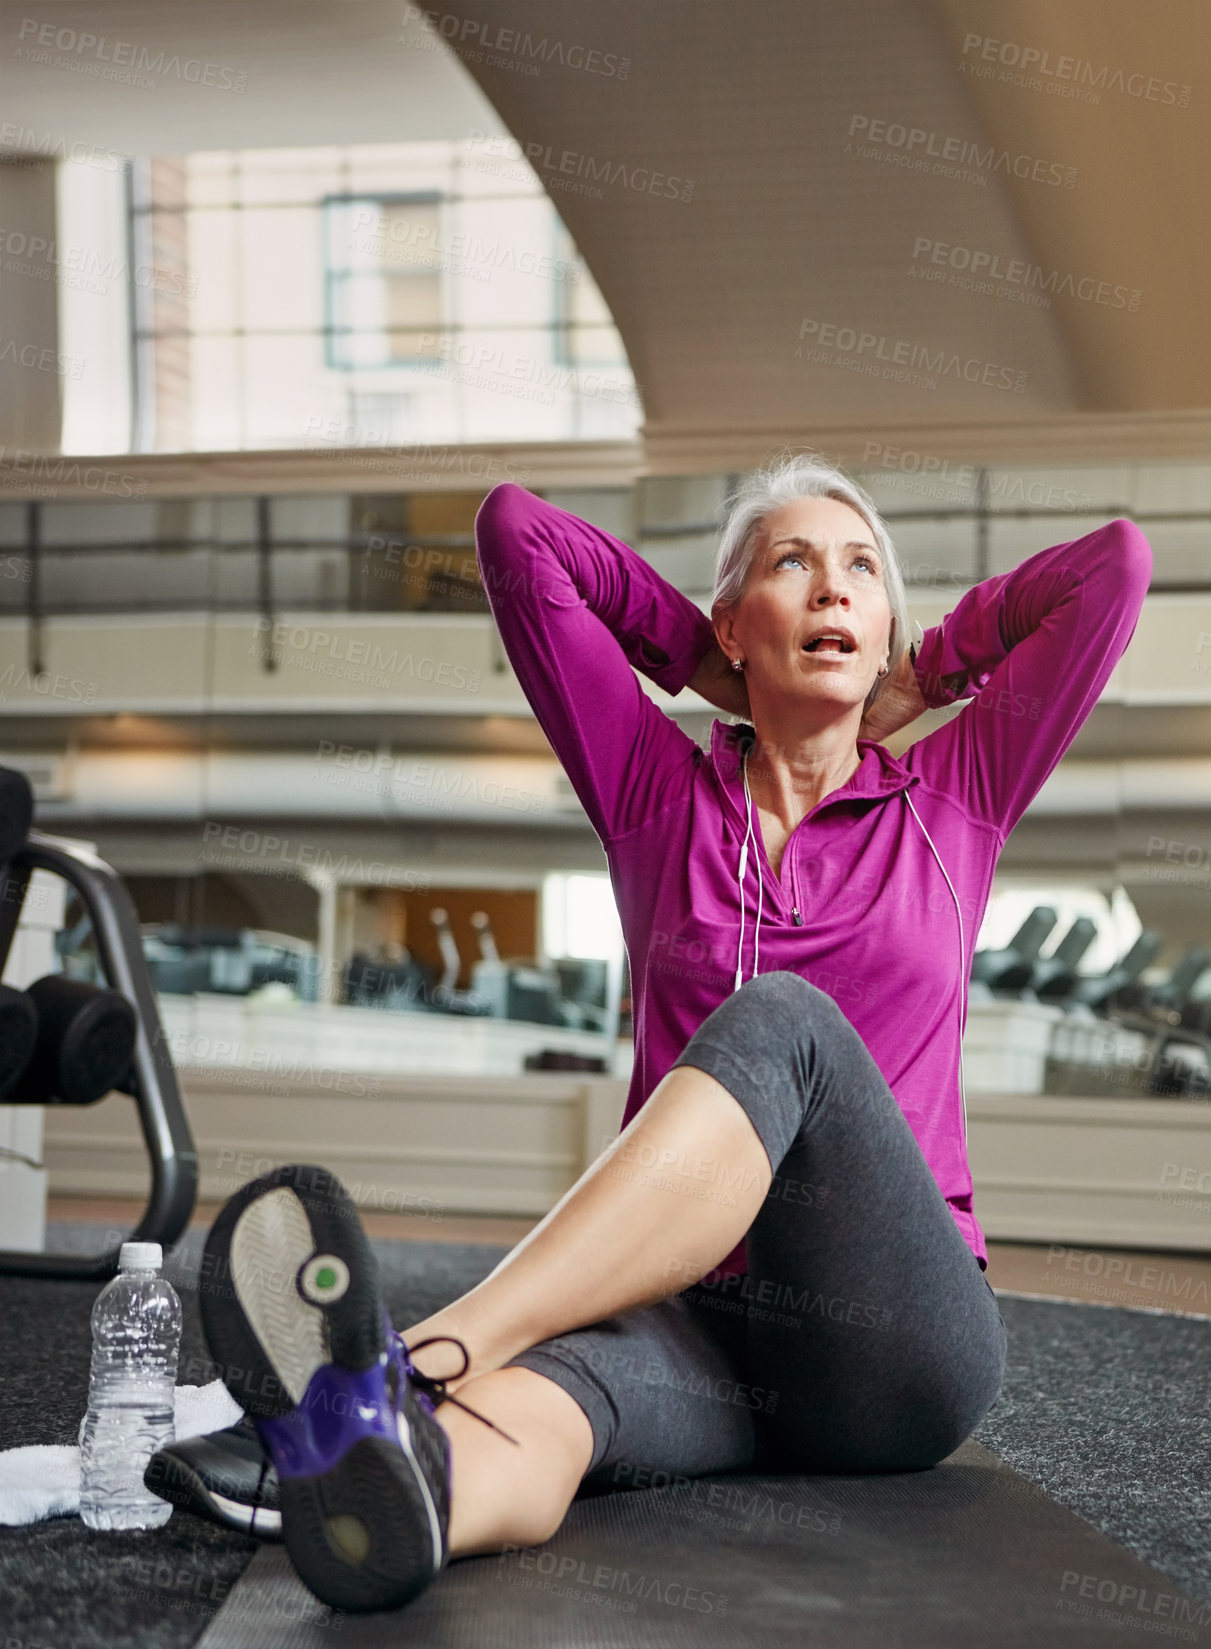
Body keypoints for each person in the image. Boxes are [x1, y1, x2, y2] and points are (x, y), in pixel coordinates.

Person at [191, 454, 1153, 1613]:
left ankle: (413, 1358)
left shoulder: (954, 798)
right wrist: (692, 658)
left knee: (785, 1020)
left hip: (893, 1343)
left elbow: (1111, 570)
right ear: (735, 623)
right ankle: (395, 1490)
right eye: (789, 565)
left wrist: (930, 670)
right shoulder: (656, 792)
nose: (831, 589)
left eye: (859, 570)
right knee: (546, 1409)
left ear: (886, 620)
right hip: (697, 1326)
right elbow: (516, 534)